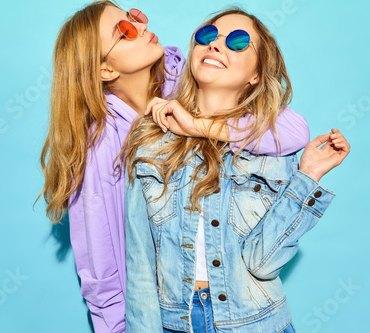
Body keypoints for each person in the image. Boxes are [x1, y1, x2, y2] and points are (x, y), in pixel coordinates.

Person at [37, 2, 311, 332]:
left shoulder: (186, 83)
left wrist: (196, 126)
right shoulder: (103, 146)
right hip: (163, 310)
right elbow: (104, 265)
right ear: (105, 70)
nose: (138, 26)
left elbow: (293, 131)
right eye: (124, 31)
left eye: (132, 17)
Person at [124, 7, 350, 333]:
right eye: (207, 36)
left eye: (238, 41)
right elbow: (141, 265)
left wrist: (308, 177)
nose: (216, 45)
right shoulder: (151, 140)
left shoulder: (274, 147)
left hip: (258, 324)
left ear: (256, 74)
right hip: (177, 325)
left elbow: (264, 262)